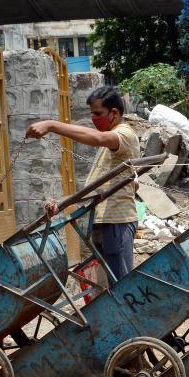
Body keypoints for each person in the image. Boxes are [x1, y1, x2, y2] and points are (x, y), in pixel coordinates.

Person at [25, 85, 140, 281]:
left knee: (121, 285)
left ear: (114, 113)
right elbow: (95, 187)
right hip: (103, 221)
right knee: (110, 284)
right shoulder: (108, 145)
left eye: (98, 114)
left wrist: (51, 125)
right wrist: (63, 203)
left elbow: (99, 138)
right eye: (92, 114)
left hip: (117, 221)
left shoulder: (124, 134)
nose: (94, 119)